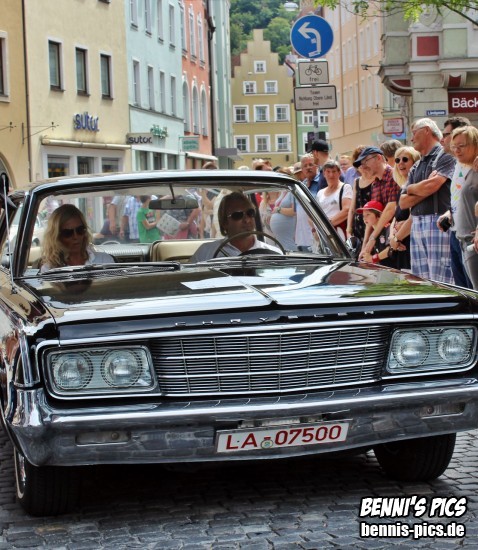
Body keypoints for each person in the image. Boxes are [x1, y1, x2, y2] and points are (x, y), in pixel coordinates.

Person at [399, 118, 456, 284]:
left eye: (414, 133)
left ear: (426, 130)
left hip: (437, 221)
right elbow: (402, 202)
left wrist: (412, 189)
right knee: (421, 281)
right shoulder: (417, 164)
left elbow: (432, 185)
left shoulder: (444, 155)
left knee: (441, 281)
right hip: (418, 223)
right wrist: (421, 189)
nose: (411, 139)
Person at [189, 192, 282, 262]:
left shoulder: (273, 254)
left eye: (250, 213)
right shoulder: (205, 253)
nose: (247, 220)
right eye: (238, 215)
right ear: (224, 222)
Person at [437, 116, 473, 288]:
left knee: (473, 289)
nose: (443, 140)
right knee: (462, 289)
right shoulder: (457, 164)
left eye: (461, 145)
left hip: (471, 235)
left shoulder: (475, 166)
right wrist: (449, 213)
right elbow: (460, 197)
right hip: (456, 233)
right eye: (454, 145)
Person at [354, 146, 401, 258]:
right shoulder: (375, 183)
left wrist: (372, 238)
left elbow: (390, 210)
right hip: (383, 242)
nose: (363, 167)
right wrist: (365, 247)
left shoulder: (394, 176)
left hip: (398, 240)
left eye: (366, 161)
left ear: (379, 158)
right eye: (361, 164)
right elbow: (371, 215)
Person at [40, 204, 113, 272]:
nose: (76, 237)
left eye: (80, 230)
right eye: (68, 233)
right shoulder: (49, 269)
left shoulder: (104, 260)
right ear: (56, 237)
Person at [450, 126, 478, 289]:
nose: (457, 150)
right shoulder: (464, 167)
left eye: (462, 146)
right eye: (454, 146)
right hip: (463, 239)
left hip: (473, 240)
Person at [387, 146, 421, 270]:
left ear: (415, 162)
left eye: (405, 159)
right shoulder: (402, 188)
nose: (400, 163)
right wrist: (392, 237)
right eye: (397, 160)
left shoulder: (416, 186)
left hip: (411, 244)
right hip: (400, 244)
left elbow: (413, 218)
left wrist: (397, 238)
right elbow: (395, 217)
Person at [316, 160, 352, 241]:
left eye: (334, 171)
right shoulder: (320, 193)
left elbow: (347, 210)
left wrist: (327, 225)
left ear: (339, 173)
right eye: (328, 172)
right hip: (323, 234)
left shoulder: (345, 188)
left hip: (339, 233)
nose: (331, 175)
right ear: (324, 174)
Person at [356, 201, 393, 267]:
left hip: (394, 269)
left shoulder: (388, 228)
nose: (364, 218)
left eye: (368, 214)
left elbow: (391, 249)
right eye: (363, 216)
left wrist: (373, 258)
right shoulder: (373, 234)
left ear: (379, 215)